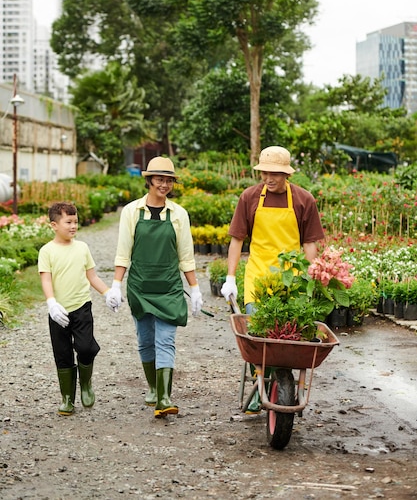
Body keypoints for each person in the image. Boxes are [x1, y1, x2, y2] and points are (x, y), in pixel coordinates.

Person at [221, 146, 325, 412]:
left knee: (287, 338)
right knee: (259, 334)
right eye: (265, 172)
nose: (269, 178)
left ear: (286, 173)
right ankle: (262, 386)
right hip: (258, 277)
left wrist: (313, 276)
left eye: (275, 173)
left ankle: (278, 388)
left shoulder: (303, 200)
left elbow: (310, 243)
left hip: (291, 280)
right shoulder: (250, 197)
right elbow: (237, 240)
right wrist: (230, 277)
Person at [111, 156, 203, 419]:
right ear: (149, 180)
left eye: (169, 180)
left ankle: (164, 397)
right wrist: (116, 284)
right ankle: (153, 387)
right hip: (140, 286)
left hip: (169, 287)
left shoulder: (178, 214)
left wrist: (194, 288)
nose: (164, 184)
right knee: (145, 340)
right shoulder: (131, 212)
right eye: (160, 179)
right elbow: (123, 253)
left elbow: (186, 256)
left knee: (166, 340)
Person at [38, 201, 118, 416]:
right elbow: (46, 280)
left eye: (75, 221)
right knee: (62, 354)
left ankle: (86, 384)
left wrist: (107, 292)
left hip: (82, 307)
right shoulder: (47, 251)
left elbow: (91, 276)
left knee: (86, 348)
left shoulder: (82, 248)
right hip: (59, 313)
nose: (73, 226)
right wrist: (51, 303)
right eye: (68, 222)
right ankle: (67, 398)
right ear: (54, 225)